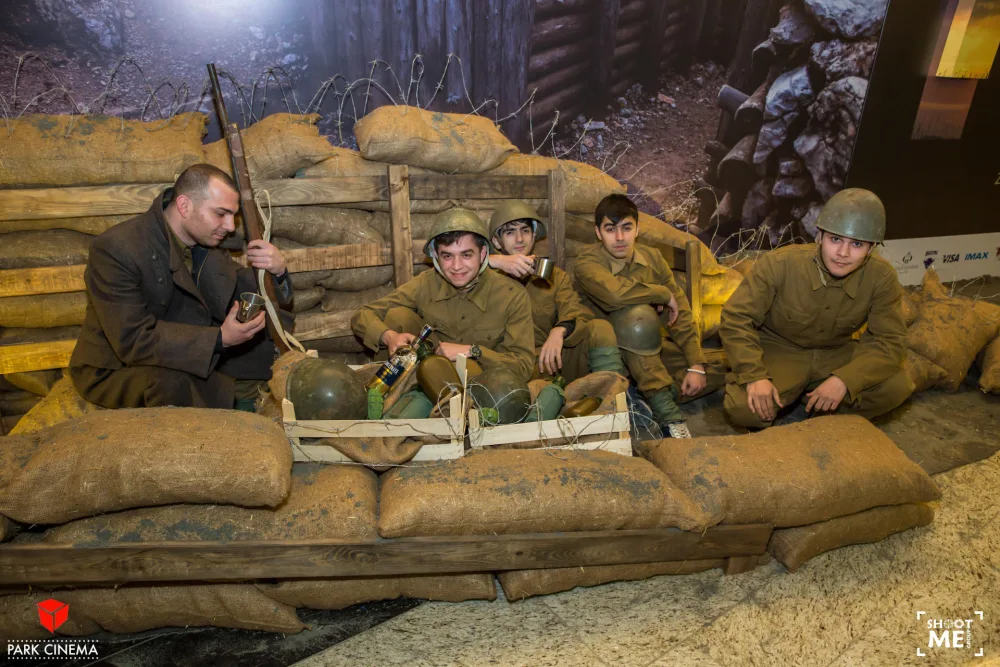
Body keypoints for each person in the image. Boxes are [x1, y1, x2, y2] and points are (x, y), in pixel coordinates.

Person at [69, 164, 294, 411]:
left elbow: (239, 288)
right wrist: (220, 339)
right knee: (175, 386)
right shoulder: (116, 249)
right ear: (185, 206)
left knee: (267, 355)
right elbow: (133, 339)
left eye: (233, 215)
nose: (230, 226)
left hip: (177, 347)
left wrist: (277, 270)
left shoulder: (204, 241)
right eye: (221, 214)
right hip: (120, 366)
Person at [720, 188, 913, 429]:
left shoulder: (881, 277)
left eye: (856, 244)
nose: (843, 253)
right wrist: (754, 375)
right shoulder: (780, 264)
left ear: (871, 248)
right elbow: (736, 318)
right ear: (819, 236)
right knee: (743, 410)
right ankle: (803, 400)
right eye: (835, 239)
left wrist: (845, 380)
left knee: (897, 387)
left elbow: (890, 342)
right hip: (780, 350)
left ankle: (818, 409)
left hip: (836, 353)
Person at [574, 194, 709, 438]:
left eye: (626, 228)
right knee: (635, 316)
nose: (619, 237)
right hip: (600, 356)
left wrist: (696, 364)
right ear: (597, 232)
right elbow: (614, 296)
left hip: (646, 353)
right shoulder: (586, 260)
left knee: (715, 370)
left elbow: (680, 314)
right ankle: (669, 416)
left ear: (637, 230)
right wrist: (659, 293)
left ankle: (638, 396)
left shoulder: (653, 258)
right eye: (610, 229)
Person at [351, 207, 535, 383]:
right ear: (436, 257)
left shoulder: (511, 294)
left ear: (483, 253)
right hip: (426, 375)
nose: (456, 266)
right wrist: (389, 337)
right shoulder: (426, 283)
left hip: (483, 384)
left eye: (466, 255)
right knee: (397, 316)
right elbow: (363, 315)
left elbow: (524, 365)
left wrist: (473, 351)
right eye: (447, 256)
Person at [487, 200, 626, 382]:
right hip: (505, 369)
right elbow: (446, 267)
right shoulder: (483, 278)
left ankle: (615, 400)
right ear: (497, 241)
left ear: (534, 235)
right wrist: (492, 261)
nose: (520, 239)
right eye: (510, 232)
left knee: (599, 329)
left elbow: (575, 311)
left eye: (525, 231)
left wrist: (559, 330)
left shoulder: (553, 276)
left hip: (547, 362)